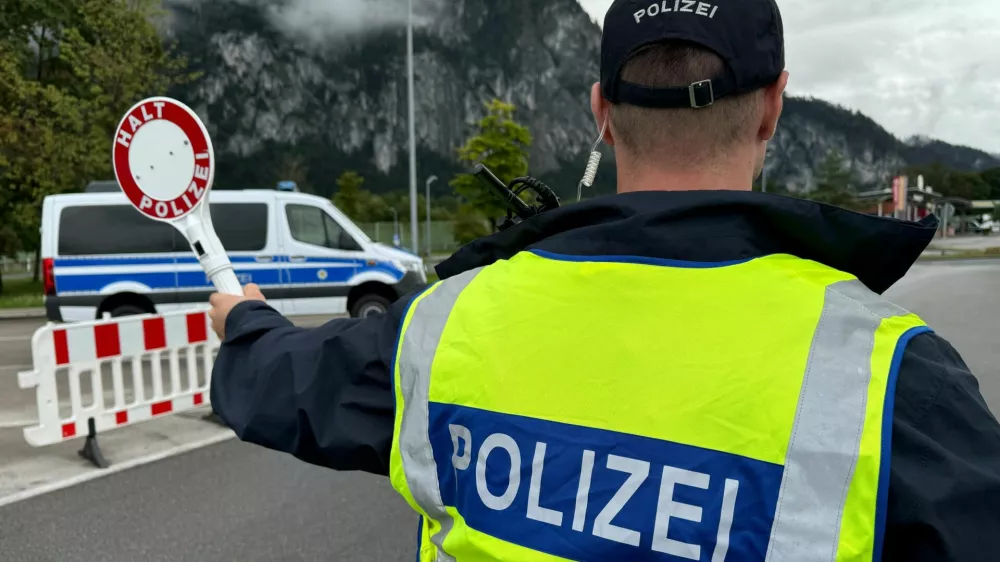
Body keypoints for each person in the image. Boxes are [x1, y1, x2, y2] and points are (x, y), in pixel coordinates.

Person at [208, 0, 1000, 559]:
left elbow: (285, 385)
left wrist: (245, 321)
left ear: (601, 110)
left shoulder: (447, 320)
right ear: (771, 108)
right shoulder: (892, 375)